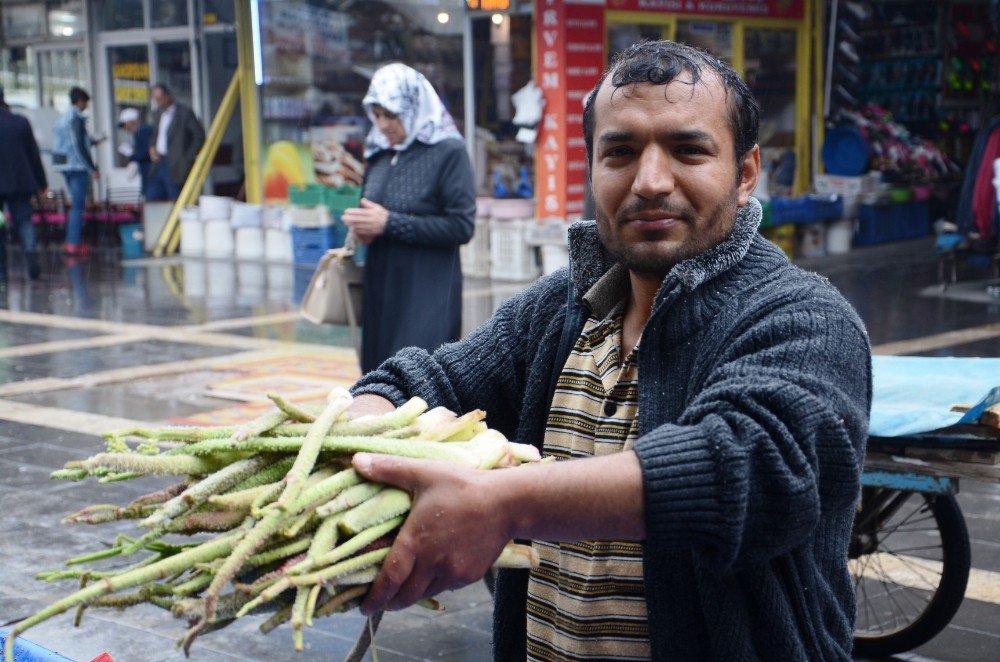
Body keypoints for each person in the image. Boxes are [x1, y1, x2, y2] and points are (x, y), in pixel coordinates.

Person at [344, 41, 872, 660]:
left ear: (746, 171)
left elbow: (738, 466)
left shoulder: (805, 318)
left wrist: (505, 506)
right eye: (620, 152)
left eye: (688, 149)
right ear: (591, 168)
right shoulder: (559, 309)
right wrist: (352, 436)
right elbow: (433, 379)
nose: (650, 182)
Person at [341, 63, 475, 373]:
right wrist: (364, 228)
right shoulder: (379, 153)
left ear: (415, 107)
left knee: (415, 382)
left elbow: (461, 226)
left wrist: (389, 223)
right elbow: (373, 208)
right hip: (382, 288)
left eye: (391, 114)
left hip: (427, 291)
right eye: (377, 115)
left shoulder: (448, 152)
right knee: (378, 380)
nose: (383, 124)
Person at [0, 84, 47, 280]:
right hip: (21, 182)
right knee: (24, 220)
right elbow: (33, 154)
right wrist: (41, 182)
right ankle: (30, 252)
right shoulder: (20, 122)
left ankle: (1, 270)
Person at [52, 87, 99, 256]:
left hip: (64, 165)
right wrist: (92, 168)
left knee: (75, 205)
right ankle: (73, 242)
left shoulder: (61, 118)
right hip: (76, 167)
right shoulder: (75, 118)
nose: (86, 106)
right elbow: (78, 145)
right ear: (80, 101)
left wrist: (90, 142)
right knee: (78, 206)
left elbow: (66, 143)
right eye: (85, 102)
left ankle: (72, 240)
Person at [148, 83, 205, 201]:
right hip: (158, 163)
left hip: (176, 164)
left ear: (168, 96)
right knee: (153, 199)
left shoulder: (184, 113)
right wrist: (152, 147)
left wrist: (187, 157)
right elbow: (156, 134)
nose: (158, 102)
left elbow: (199, 136)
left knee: (175, 199)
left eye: (159, 98)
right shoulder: (157, 114)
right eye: (155, 99)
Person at [117, 107, 154, 198]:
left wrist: (131, 155)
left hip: (151, 173)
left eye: (125, 125)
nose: (125, 129)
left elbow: (144, 154)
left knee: (151, 199)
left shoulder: (142, 132)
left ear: (132, 122)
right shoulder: (141, 132)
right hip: (149, 172)